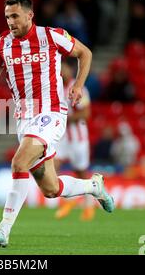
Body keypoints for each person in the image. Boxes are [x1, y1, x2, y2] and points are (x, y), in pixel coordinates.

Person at [0, 0, 114, 248]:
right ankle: (94, 186)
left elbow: (85, 53)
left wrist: (79, 85)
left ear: (30, 15)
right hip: (24, 120)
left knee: (18, 161)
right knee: (50, 188)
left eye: (15, 16)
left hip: (51, 114)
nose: (10, 22)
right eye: (7, 17)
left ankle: (3, 229)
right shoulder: (2, 44)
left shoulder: (51, 36)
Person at [54, 62, 94, 221]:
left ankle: (89, 206)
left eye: (64, 69)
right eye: (59, 70)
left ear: (69, 71)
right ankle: (68, 201)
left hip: (78, 139)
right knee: (52, 167)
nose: (61, 72)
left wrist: (66, 118)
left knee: (82, 173)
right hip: (61, 138)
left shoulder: (79, 89)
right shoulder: (55, 89)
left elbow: (86, 113)